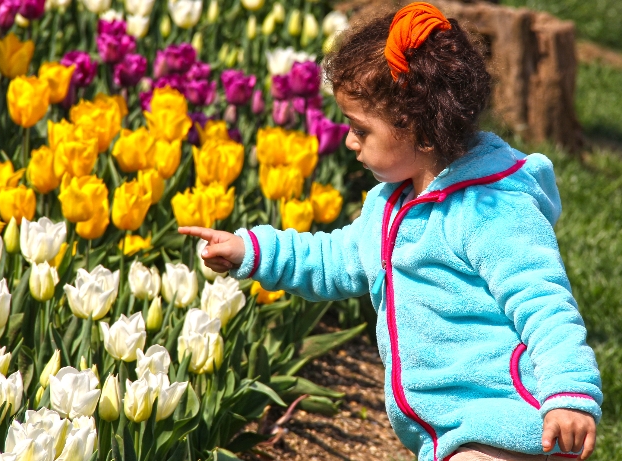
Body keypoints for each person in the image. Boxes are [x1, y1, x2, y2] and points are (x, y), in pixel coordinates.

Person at [179, 2, 603, 460]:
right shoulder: (391, 203)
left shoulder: (491, 208)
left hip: (508, 421)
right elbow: (336, 258)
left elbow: (545, 304)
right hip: (451, 431)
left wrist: (569, 394)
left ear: (419, 129)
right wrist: (254, 252)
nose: (348, 140)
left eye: (360, 128)